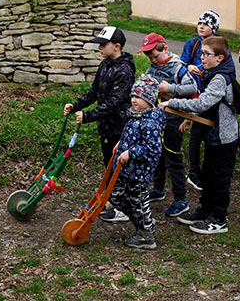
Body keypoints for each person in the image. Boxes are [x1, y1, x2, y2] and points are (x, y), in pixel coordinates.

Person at [159, 36, 240, 235]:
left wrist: (173, 103)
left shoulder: (220, 77)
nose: (201, 58)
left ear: (220, 58)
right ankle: (205, 210)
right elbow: (206, 107)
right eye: (201, 53)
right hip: (213, 134)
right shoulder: (212, 72)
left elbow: (202, 102)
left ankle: (219, 219)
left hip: (225, 138)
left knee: (220, 179)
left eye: (206, 54)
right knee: (208, 175)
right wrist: (191, 117)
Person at [64, 26, 135, 221]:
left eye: (103, 44)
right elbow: (95, 91)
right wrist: (76, 105)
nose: (100, 48)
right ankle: (114, 198)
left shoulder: (125, 70)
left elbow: (114, 102)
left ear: (117, 46)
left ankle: (124, 207)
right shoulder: (105, 65)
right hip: (105, 125)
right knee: (109, 164)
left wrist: (87, 116)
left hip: (120, 126)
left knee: (121, 165)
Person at [140, 33, 195, 217]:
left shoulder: (178, 69)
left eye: (155, 55)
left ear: (165, 49)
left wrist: (169, 89)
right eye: (149, 57)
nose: (152, 59)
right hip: (157, 120)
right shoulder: (152, 68)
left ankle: (181, 200)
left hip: (174, 121)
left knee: (173, 159)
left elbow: (193, 88)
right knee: (157, 155)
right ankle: (158, 189)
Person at [111, 75, 166, 250]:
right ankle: (143, 221)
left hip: (138, 172)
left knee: (138, 202)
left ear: (149, 99)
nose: (133, 100)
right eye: (133, 96)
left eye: (139, 97)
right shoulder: (136, 115)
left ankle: (146, 236)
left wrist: (131, 152)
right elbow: (131, 136)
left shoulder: (151, 123)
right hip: (126, 170)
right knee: (117, 197)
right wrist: (121, 143)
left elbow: (152, 149)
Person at [178, 10, 220, 191]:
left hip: (211, 93)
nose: (202, 26)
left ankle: (210, 172)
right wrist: (189, 67)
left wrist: (205, 72)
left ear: (214, 28)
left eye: (207, 24)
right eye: (200, 23)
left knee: (210, 134)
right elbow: (182, 62)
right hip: (193, 92)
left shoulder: (218, 44)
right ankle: (194, 173)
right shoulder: (191, 43)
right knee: (195, 134)